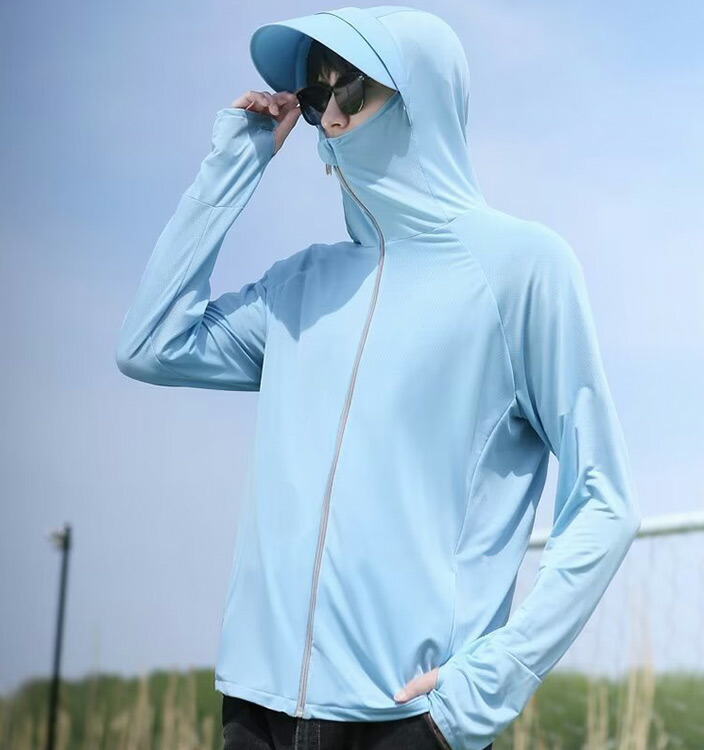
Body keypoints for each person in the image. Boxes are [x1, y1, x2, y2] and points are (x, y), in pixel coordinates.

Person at [115, 6, 643, 750]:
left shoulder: (521, 268)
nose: (329, 115)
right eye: (315, 93)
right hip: (254, 710)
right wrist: (236, 162)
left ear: (421, 97)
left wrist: (479, 694)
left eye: (352, 89)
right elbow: (150, 344)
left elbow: (606, 502)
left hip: (408, 721)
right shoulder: (300, 285)